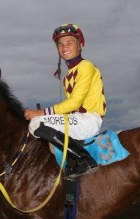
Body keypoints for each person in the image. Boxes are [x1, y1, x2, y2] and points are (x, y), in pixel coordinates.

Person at [24, 23, 107, 178]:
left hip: (88, 120)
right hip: (78, 119)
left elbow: (75, 103)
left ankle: (84, 159)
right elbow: (70, 108)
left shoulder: (86, 66)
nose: (64, 47)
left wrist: (40, 113)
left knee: (36, 123)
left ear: (80, 45)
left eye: (69, 42)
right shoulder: (68, 76)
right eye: (60, 44)